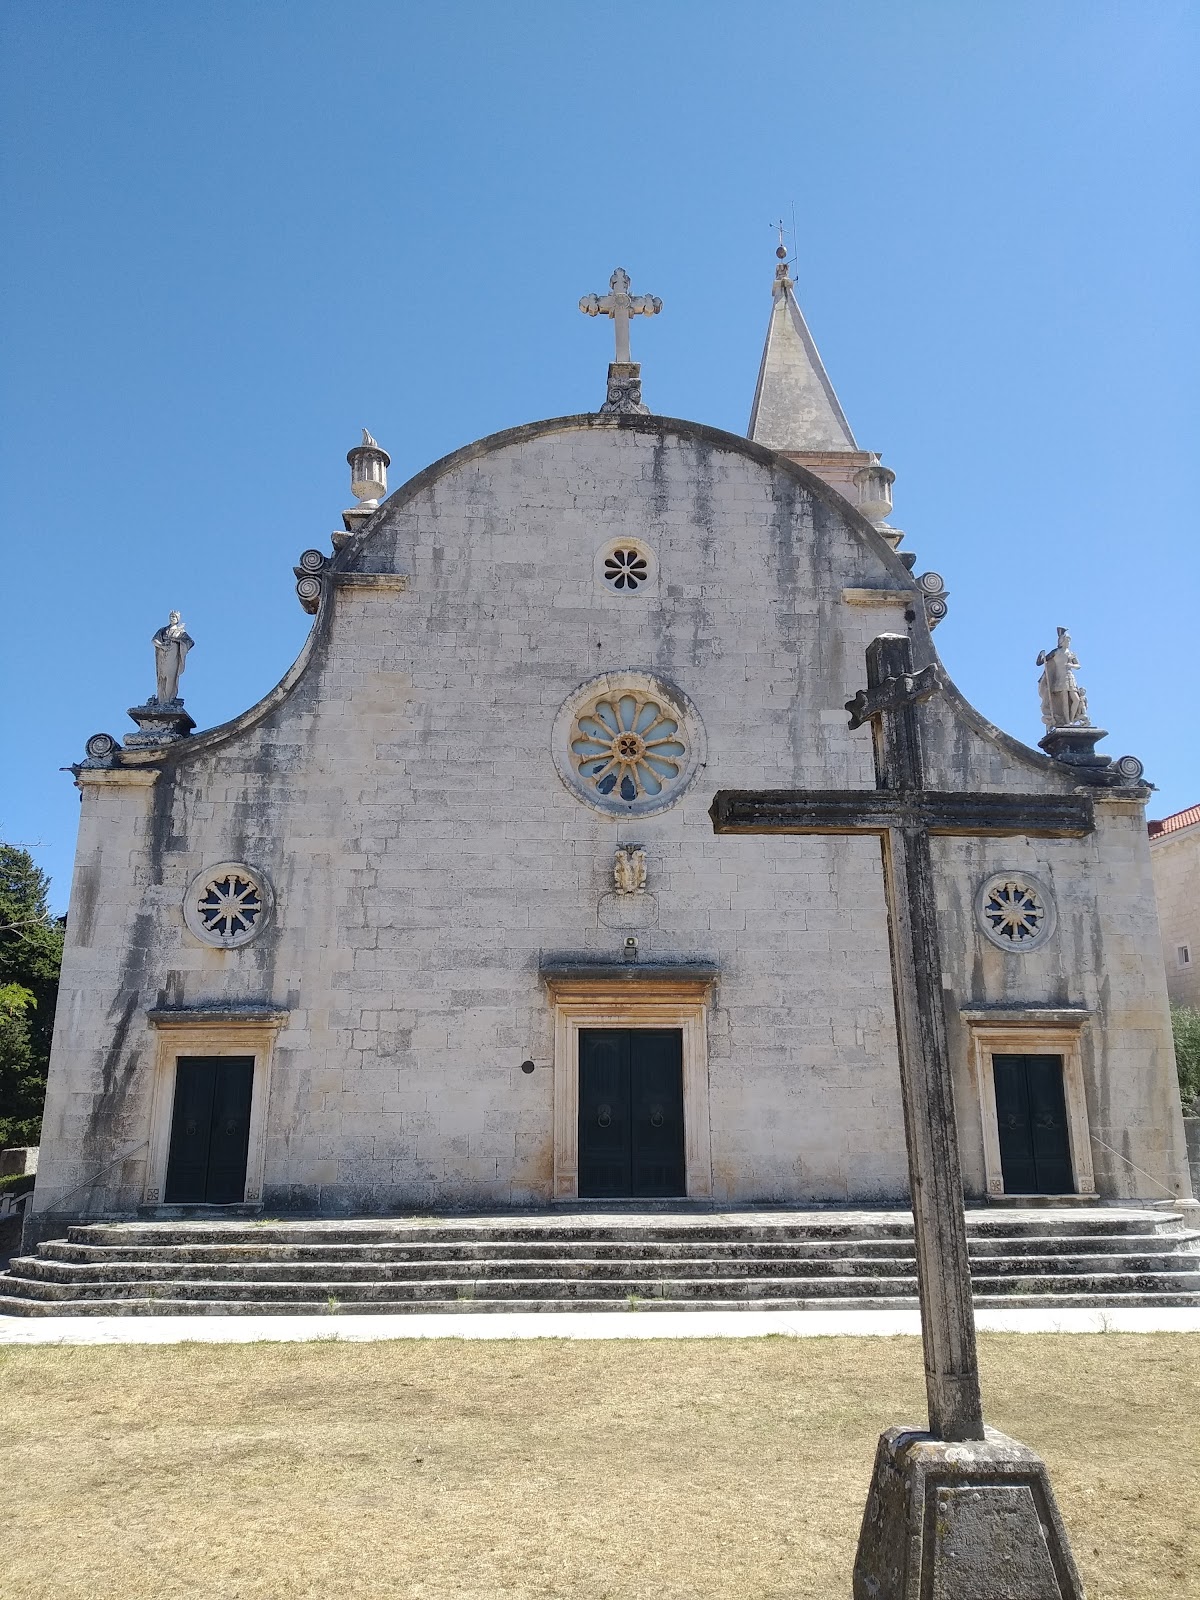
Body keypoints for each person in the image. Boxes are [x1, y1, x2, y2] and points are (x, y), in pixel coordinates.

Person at [152, 611, 194, 704]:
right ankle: (161, 699)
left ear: (178, 619)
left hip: (173, 656)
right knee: (162, 678)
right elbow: (154, 640)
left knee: (171, 677)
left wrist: (177, 641)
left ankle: (168, 699)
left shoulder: (181, 632)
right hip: (162, 656)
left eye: (174, 617)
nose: (172, 618)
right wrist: (162, 646)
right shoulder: (163, 630)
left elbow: (190, 642)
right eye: (171, 616)